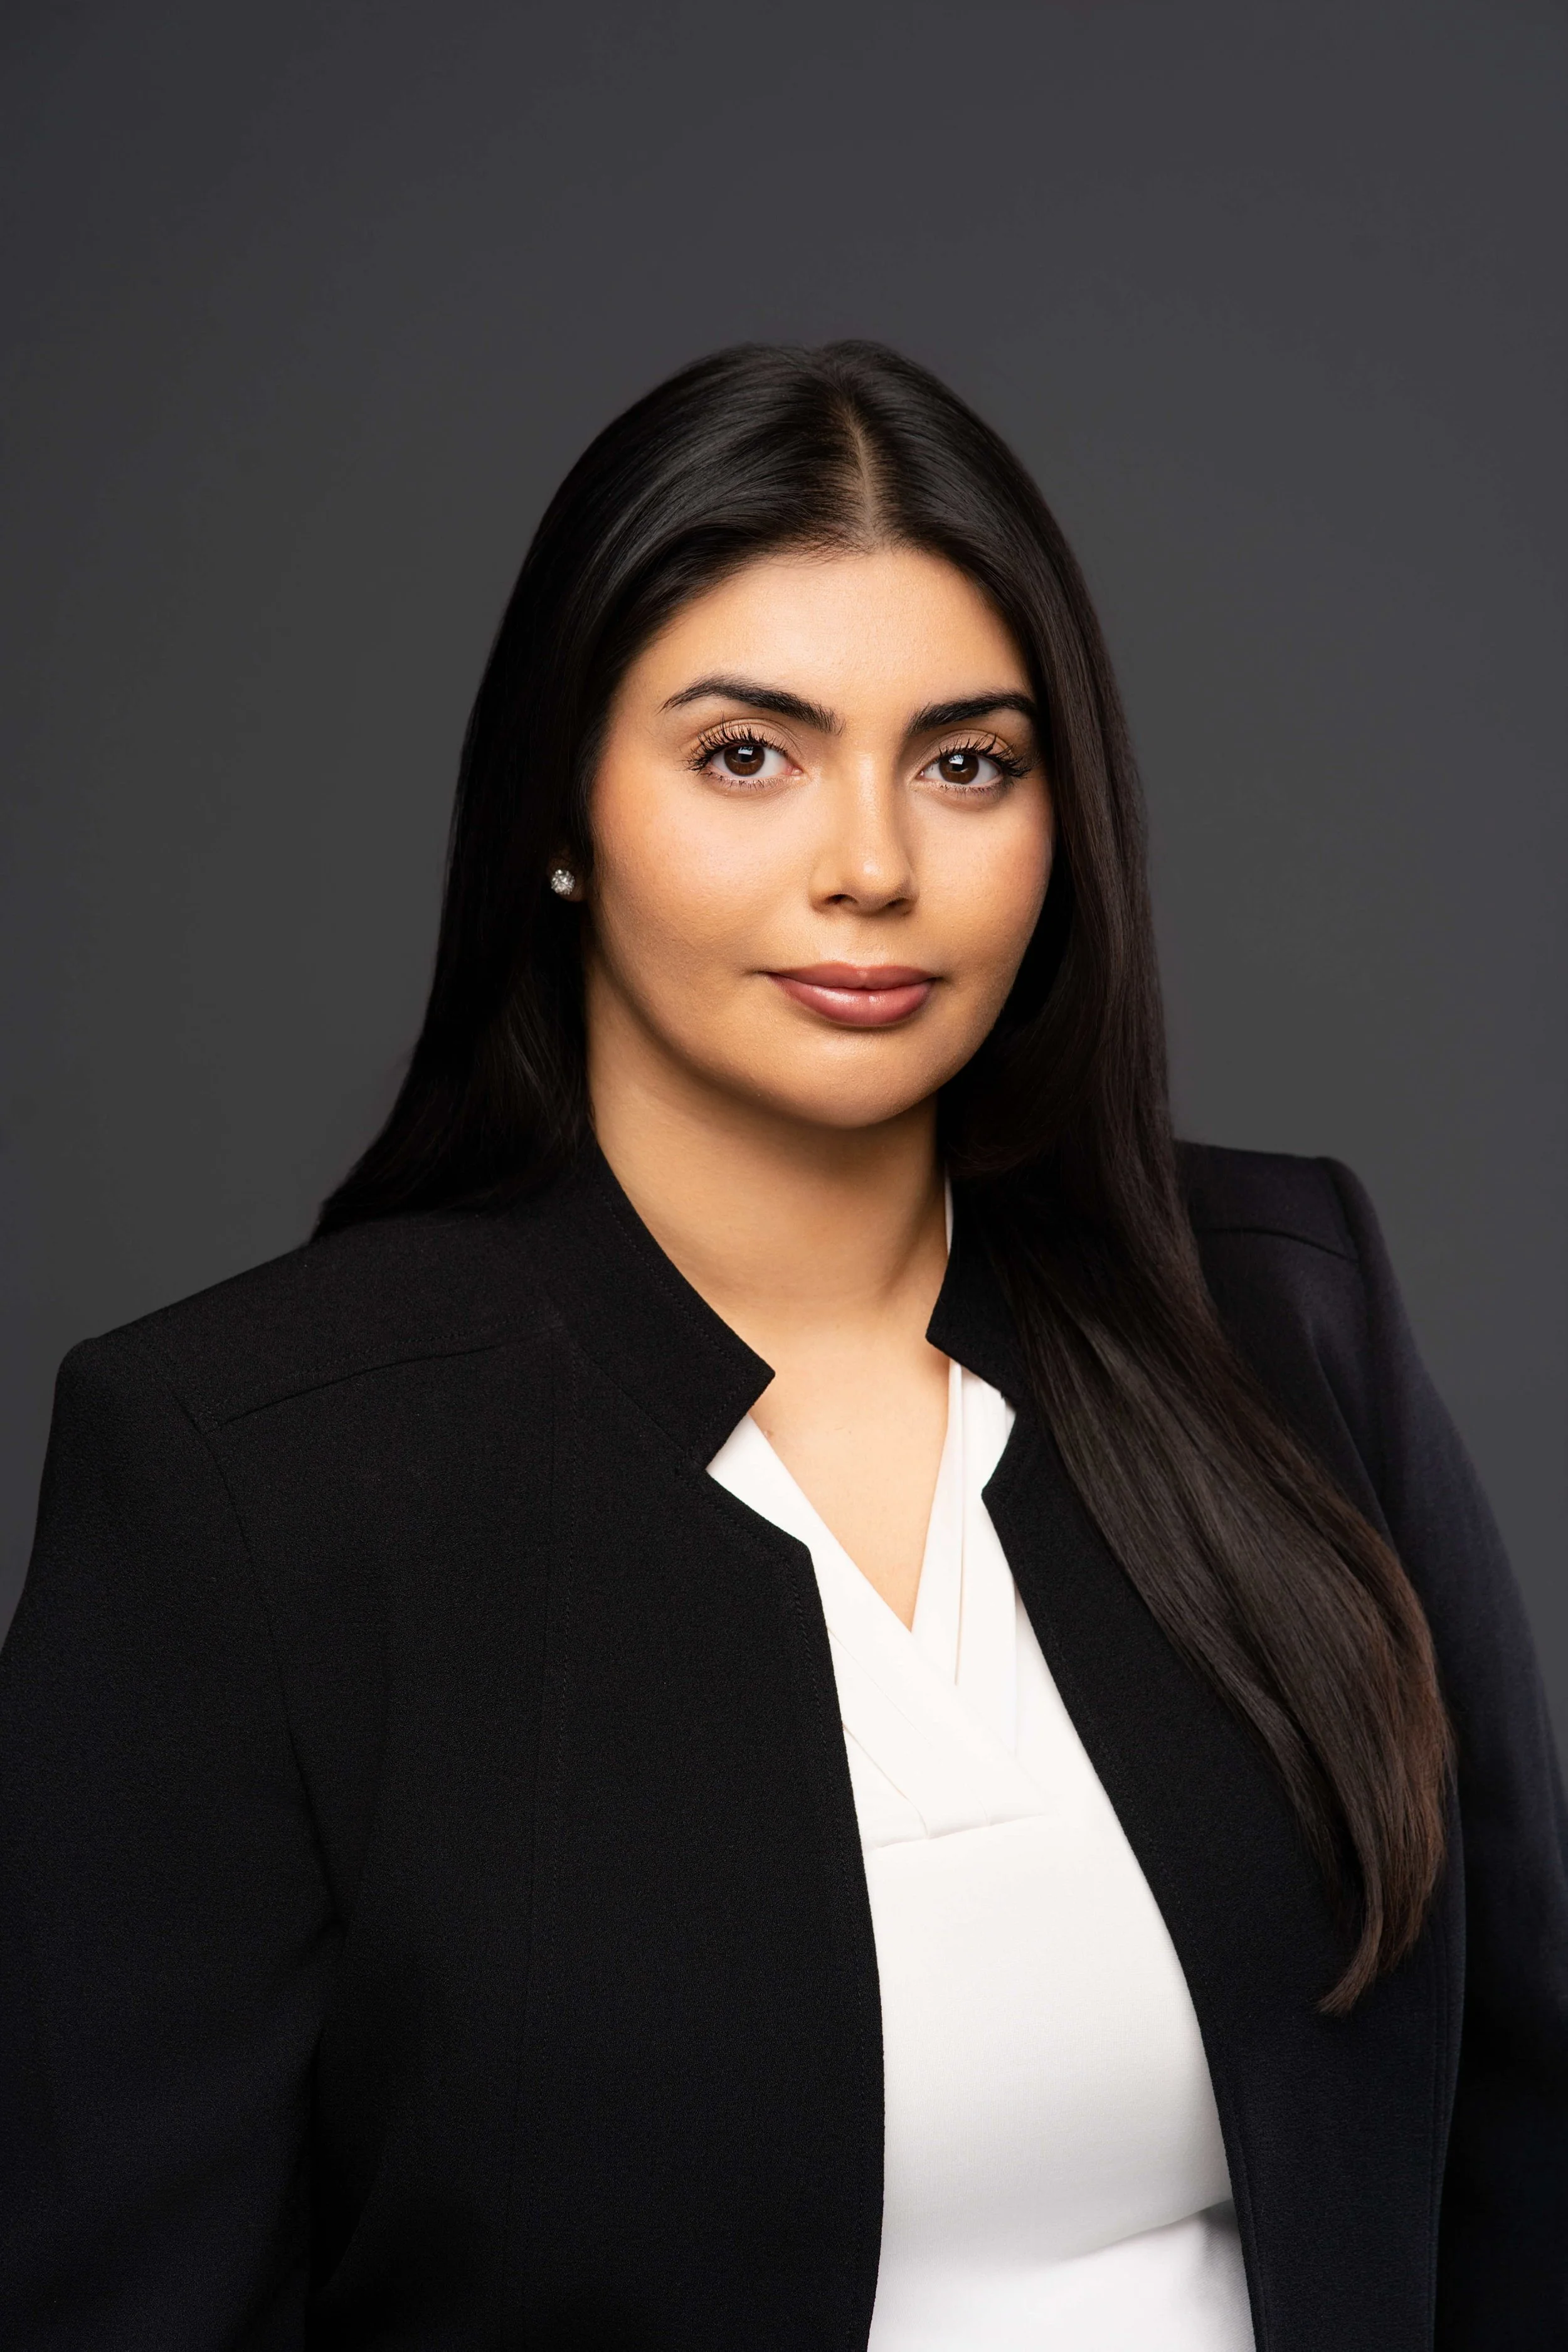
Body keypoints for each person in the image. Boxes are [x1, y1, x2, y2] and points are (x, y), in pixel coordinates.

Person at [1, 342, 1562, 2351]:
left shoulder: (1283, 1306)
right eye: (748, 754)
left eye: (966, 763)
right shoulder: (244, 1469)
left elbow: (1521, 2133)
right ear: (562, 810)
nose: (872, 865)